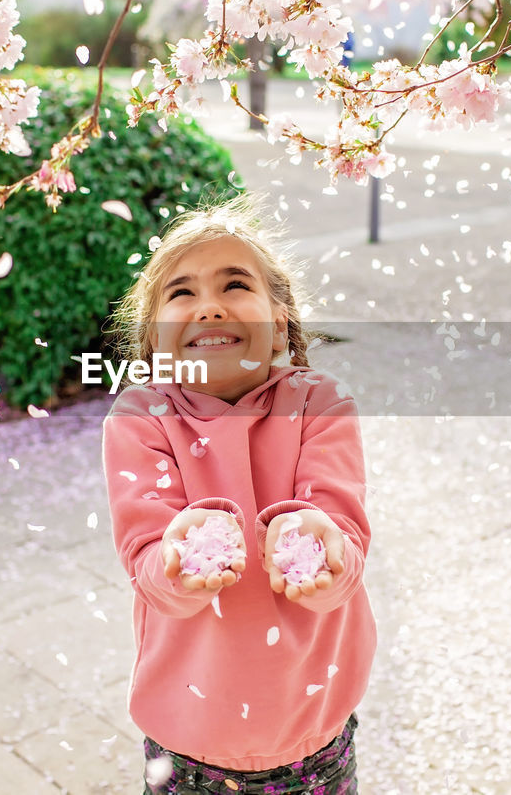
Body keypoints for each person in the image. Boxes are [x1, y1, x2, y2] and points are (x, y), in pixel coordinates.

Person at [102, 195, 376, 794]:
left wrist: (327, 555)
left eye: (235, 284)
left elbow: (343, 535)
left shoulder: (319, 404)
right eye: (180, 294)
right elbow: (147, 562)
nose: (209, 306)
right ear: (153, 335)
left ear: (278, 318)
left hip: (314, 728)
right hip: (189, 739)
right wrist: (175, 562)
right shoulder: (142, 418)